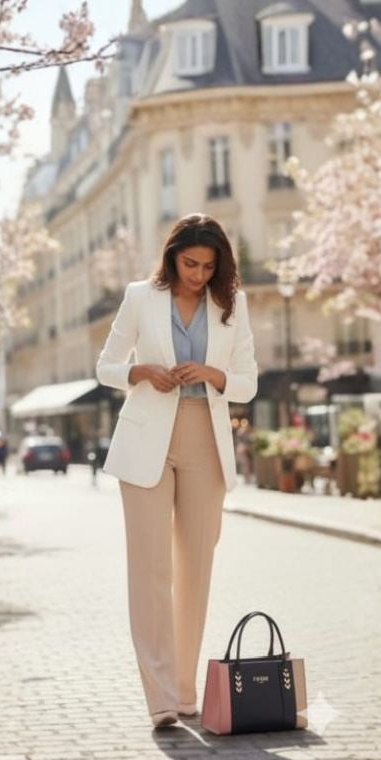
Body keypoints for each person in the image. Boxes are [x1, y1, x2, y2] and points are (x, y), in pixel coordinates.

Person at [95, 214, 258, 728]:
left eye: (209, 266)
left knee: (196, 569)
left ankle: (186, 691)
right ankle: (162, 699)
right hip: (147, 439)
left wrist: (213, 375)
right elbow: (106, 366)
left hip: (205, 440)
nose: (198, 274)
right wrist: (139, 372)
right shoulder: (140, 297)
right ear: (172, 257)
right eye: (190, 263)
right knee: (150, 571)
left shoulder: (233, 305)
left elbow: (248, 383)